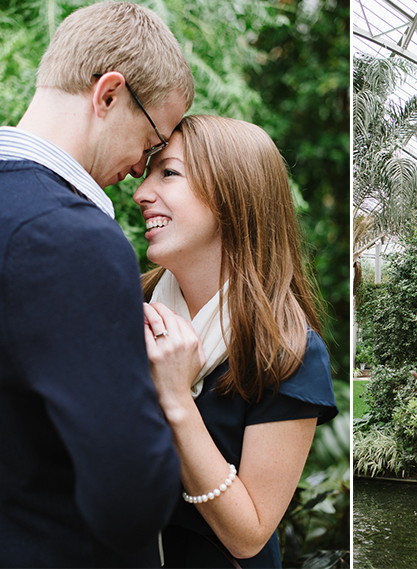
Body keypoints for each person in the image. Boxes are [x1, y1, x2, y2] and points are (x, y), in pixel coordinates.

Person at [0, 1, 195, 567]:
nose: (141, 166)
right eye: (152, 139)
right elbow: (129, 503)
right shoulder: (73, 238)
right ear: (108, 94)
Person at [134, 115, 338, 568]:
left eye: (168, 172)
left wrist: (177, 400)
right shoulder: (128, 306)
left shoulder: (289, 351)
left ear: (231, 195)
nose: (141, 192)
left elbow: (248, 535)